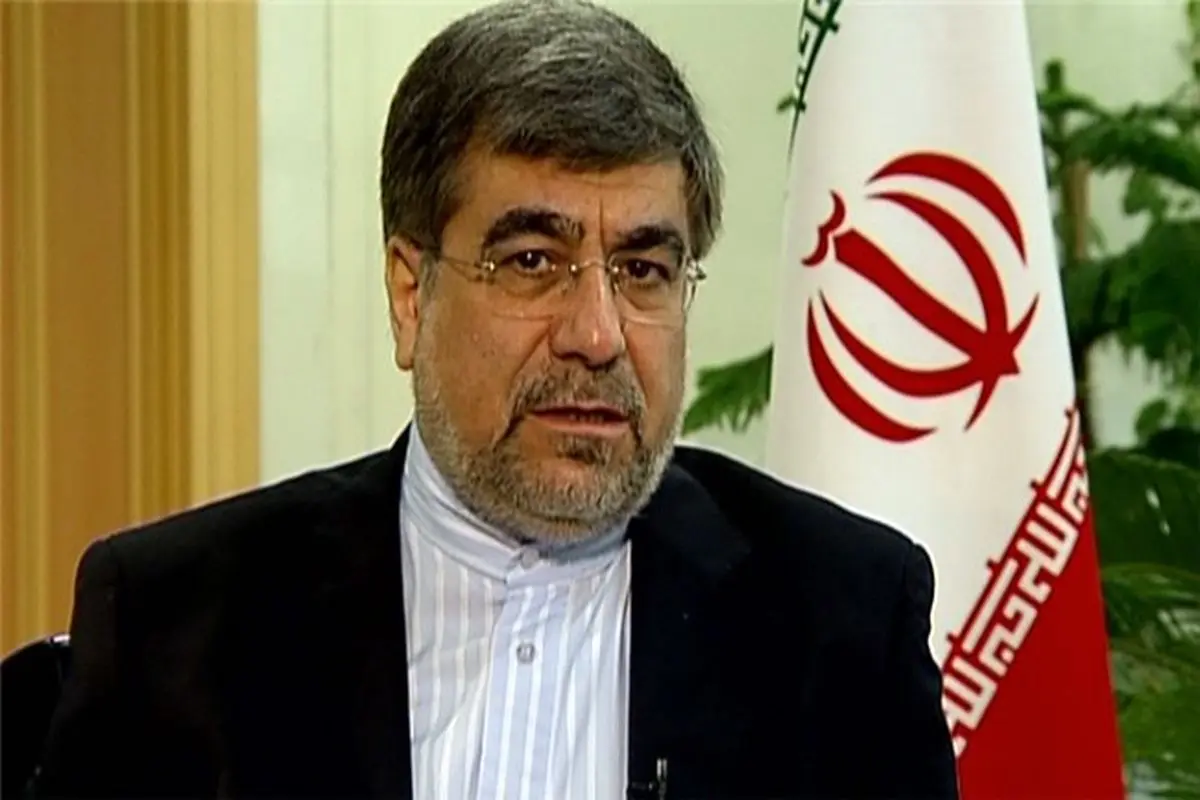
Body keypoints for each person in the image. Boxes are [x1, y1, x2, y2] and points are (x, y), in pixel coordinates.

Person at [32, 1, 958, 797]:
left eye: (642, 269)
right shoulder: (175, 625)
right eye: (533, 261)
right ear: (411, 295)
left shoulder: (840, 622)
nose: (598, 334)